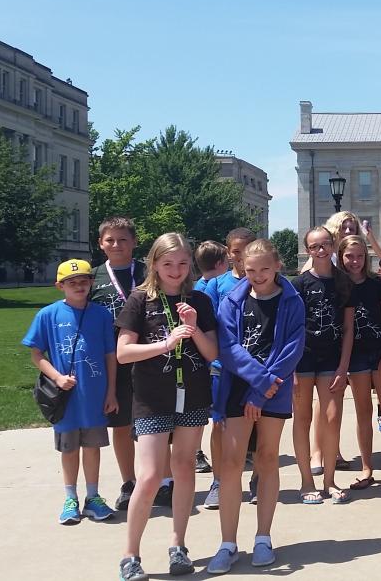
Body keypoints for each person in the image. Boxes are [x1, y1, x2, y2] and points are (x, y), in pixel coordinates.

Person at [115, 233, 219, 581]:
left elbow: (212, 353)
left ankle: (178, 545)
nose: (176, 270)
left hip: (193, 394)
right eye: (168, 263)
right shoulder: (139, 300)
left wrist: (193, 328)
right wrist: (165, 344)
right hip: (152, 398)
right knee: (148, 477)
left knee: (185, 467)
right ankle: (130, 555)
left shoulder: (199, 300)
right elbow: (123, 353)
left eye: (183, 263)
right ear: (154, 264)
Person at [208, 239, 305, 573]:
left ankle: (263, 537)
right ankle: (228, 543)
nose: (258, 275)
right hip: (239, 386)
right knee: (231, 462)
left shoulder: (292, 300)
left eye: (265, 268)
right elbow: (227, 347)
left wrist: (263, 389)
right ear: (241, 268)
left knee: (267, 458)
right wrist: (257, 382)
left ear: (277, 265)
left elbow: (293, 347)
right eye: (251, 270)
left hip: (275, 387)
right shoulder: (232, 301)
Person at [24, 259, 119, 525]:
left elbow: (110, 355)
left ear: (91, 283)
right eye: (72, 283)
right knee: (69, 449)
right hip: (66, 398)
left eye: (83, 281)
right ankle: (70, 498)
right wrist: (57, 377)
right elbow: (36, 354)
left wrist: (111, 392)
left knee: (92, 447)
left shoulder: (101, 314)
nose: (79, 286)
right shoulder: (48, 315)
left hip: (95, 394)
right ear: (60, 286)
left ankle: (93, 497)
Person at [337, 235, 381, 492]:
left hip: (380, 353)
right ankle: (366, 468)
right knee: (363, 413)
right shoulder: (339, 285)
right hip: (356, 356)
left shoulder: (377, 283)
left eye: (359, 256)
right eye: (350, 256)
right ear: (342, 257)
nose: (355, 261)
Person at [291, 226, 354, 504]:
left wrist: (343, 366)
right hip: (302, 358)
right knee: (302, 418)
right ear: (308, 250)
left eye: (325, 244)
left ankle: (330, 480)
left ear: (333, 246)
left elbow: (349, 329)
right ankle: (307, 481)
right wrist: (290, 369)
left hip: (331, 358)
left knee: (331, 418)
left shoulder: (343, 282)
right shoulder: (299, 284)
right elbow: (290, 328)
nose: (321, 250)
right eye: (315, 246)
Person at [90, 216, 146, 510]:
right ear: (100, 244)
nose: (116, 245)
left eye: (123, 239)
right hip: (113, 362)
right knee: (121, 424)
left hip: (149, 356)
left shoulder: (149, 272)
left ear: (134, 242)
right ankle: (129, 482)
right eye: (110, 240)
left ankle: (163, 481)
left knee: (157, 423)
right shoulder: (93, 277)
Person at [200, 228, 255, 509]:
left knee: (259, 424)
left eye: (248, 250)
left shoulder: (267, 282)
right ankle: (218, 481)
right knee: (220, 424)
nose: (242, 257)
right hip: (223, 365)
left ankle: (258, 478)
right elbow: (207, 323)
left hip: (257, 366)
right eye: (236, 251)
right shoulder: (217, 285)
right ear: (228, 253)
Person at [192, 240, 227, 498]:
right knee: (210, 413)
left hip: (203, 359)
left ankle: (196, 451)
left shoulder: (196, 286)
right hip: (209, 360)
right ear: (220, 263)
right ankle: (197, 453)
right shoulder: (208, 289)